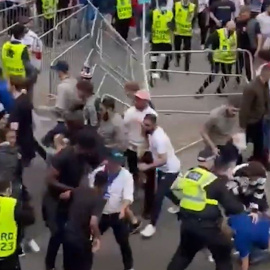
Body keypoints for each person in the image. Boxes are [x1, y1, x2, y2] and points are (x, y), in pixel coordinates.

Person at [167, 147, 245, 270]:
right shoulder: (213, 181)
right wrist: (243, 206)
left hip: (187, 224)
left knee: (183, 255)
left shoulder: (188, 174)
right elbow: (234, 208)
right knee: (223, 259)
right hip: (209, 228)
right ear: (212, 161)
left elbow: (175, 191)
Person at [44, 129, 101, 270]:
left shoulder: (83, 156)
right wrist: (70, 189)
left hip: (71, 198)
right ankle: (49, 265)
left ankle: (67, 264)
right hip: (56, 199)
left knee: (68, 234)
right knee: (57, 234)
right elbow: (49, 179)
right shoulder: (65, 156)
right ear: (83, 147)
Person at [89, 149, 135, 270]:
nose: (116, 165)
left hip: (117, 214)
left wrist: (123, 209)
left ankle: (129, 267)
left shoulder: (126, 176)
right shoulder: (97, 173)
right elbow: (90, 190)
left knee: (124, 242)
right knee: (90, 239)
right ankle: (85, 263)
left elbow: (128, 197)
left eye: (119, 162)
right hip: (100, 214)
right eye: (114, 162)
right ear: (108, 161)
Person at [139, 114, 181, 238]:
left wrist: (147, 167)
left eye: (147, 125)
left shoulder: (159, 138)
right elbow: (148, 145)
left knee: (158, 196)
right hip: (162, 168)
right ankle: (179, 203)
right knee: (165, 190)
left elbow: (163, 159)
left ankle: (152, 225)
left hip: (171, 169)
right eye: (144, 124)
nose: (145, 127)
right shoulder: (151, 132)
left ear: (154, 125)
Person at [61, 171, 107, 270]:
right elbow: (93, 222)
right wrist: (97, 237)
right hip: (81, 239)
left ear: (94, 181)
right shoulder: (99, 199)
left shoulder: (79, 190)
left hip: (68, 234)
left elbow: (64, 196)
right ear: (105, 185)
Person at [0, 171, 35, 270]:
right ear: (8, 190)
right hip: (8, 254)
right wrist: (26, 201)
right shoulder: (13, 204)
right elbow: (30, 219)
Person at [124, 90, 157, 189]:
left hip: (145, 147)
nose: (136, 101)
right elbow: (124, 126)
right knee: (132, 167)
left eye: (139, 99)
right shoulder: (129, 112)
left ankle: (146, 184)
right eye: (136, 98)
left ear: (146, 101)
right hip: (131, 145)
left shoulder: (152, 114)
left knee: (144, 168)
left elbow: (153, 131)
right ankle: (135, 183)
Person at [239, 64, 270, 167]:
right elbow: (245, 108)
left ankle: (257, 159)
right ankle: (237, 159)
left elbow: (266, 101)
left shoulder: (264, 85)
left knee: (259, 142)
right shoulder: (252, 88)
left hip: (260, 118)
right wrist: (242, 126)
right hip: (251, 121)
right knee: (244, 142)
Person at [196, 20, 237, 96]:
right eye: (231, 29)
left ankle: (219, 90)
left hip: (228, 59)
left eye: (233, 29)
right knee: (213, 76)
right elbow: (209, 41)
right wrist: (207, 49)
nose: (232, 31)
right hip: (217, 58)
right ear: (226, 27)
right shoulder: (218, 33)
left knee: (227, 76)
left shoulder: (235, 34)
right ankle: (200, 90)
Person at [8, 76, 37, 167]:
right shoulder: (25, 99)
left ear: (13, 86)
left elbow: (14, 128)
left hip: (21, 145)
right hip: (27, 139)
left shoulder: (17, 105)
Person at [147, 2, 174, 86]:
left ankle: (164, 70)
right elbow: (147, 27)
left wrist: (171, 26)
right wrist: (150, 35)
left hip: (166, 41)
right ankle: (152, 77)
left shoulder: (170, 14)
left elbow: (173, 27)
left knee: (169, 57)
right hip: (156, 41)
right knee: (154, 59)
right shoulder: (152, 13)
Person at [236, 6, 262, 82]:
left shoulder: (254, 23)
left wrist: (258, 48)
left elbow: (259, 36)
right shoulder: (238, 22)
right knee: (238, 66)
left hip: (250, 48)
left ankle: (250, 81)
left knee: (248, 66)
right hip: (240, 47)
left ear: (248, 13)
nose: (242, 16)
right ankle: (238, 78)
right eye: (241, 15)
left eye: (244, 15)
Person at [174, 0, 196, 71]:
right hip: (178, 31)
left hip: (187, 32)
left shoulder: (192, 7)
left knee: (187, 49)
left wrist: (193, 27)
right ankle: (177, 59)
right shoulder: (176, 5)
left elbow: (194, 18)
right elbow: (173, 16)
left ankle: (187, 67)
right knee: (177, 47)